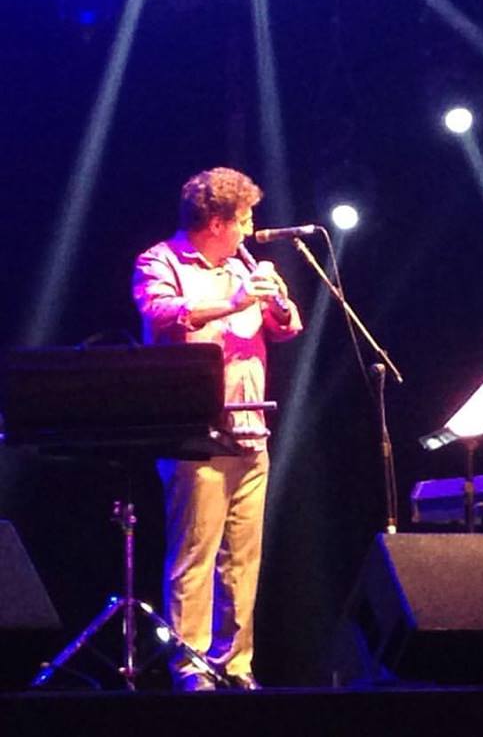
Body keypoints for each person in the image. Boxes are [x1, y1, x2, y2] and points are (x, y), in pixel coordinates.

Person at [132, 167, 303, 691]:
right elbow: (161, 313)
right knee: (195, 557)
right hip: (196, 436)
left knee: (243, 561)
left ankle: (236, 664)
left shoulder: (243, 266)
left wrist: (278, 303)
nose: (250, 229)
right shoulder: (161, 261)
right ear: (215, 223)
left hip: (252, 429)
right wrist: (233, 303)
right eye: (244, 219)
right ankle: (190, 667)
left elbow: (288, 328)